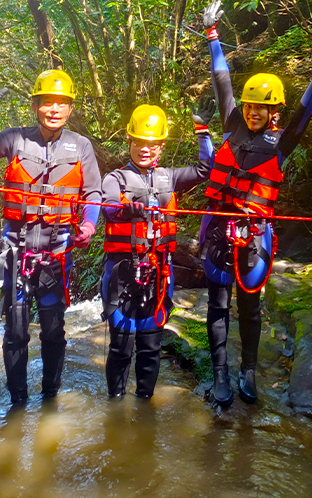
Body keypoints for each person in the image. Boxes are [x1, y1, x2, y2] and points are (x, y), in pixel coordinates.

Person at [200, 0, 312, 406]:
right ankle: (221, 372)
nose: (255, 112)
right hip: (218, 232)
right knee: (218, 305)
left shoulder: (282, 143)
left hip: (253, 237)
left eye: (263, 107)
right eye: (251, 105)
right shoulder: (231, 124)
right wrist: (213, 37)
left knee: (251, 308)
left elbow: (306, 111)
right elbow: (221, 80)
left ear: (274, 111)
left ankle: (248, 372)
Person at [0, 69, 101, 406]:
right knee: (16, 330)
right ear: (35, 105)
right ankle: (18, 401)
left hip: (57, 253)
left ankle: (50, 397)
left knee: (54, 329)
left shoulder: (81, 145)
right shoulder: (15, 139)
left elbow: (94, 191)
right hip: (16, 250)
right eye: (46, 103)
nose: (53, 109)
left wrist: (89, 224)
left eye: (61, 103)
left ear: (70, 108)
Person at [100, 102, 213, 399]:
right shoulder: (115, 178)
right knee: (121, 346)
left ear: (161, 146)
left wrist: (202, 131)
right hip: (122, 274)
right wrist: (127, 210)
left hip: (158, 273)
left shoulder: (169, 177)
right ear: (129, 142)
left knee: (150, 347)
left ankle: (143, 407)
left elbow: (205, 169)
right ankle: (115, 407)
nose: (145, 149)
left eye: (151, 144)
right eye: (139, 142)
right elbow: (110, 208)